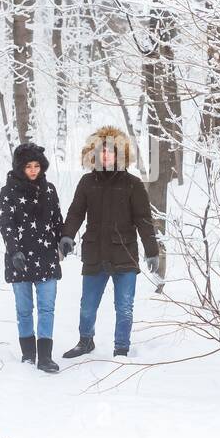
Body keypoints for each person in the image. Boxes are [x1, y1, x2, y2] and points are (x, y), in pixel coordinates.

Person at [58, 126, 160, 359]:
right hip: (95, 252)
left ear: (121, 154)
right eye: (101, 152)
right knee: (87, 305)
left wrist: (152, 250)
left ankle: (121, 349)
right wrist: (67, 235)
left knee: (124, 307)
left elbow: (144, 220)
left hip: (124, 252)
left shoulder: (133, 184)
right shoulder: (86, 182)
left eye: (111, 152)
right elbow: (75, 213)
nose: (106, 156)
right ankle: (85, 341)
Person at [0, 142, 63, 374]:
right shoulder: (8, 192)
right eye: (29, 166)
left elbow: (57, 221)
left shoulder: (50, 190)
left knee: (47, 308)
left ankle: (45, 356)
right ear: (20, 168)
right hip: (20, 258)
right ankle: (28, 354)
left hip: (46, 257)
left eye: (37, 165)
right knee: (24, 309)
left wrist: (64, 238)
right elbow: (6, 225)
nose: (34, 170)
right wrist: (14, 251)